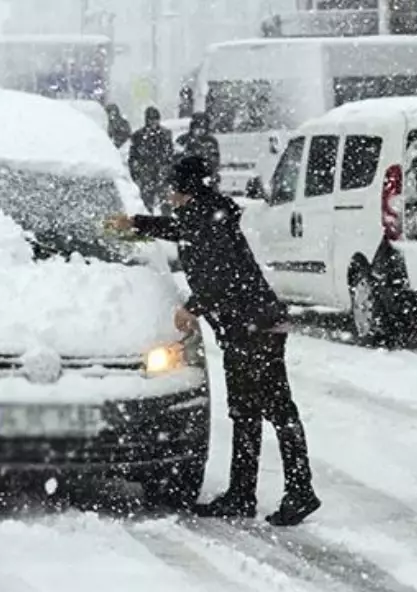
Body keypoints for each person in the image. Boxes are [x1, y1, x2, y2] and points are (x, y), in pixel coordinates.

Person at [104, 156, 322, 527]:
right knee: (246, 410)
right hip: (252, 325)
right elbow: (180, 230)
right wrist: (137, 223)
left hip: (253, 328)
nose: (169, 194)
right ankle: (242, 493)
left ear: (185, 190)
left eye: (173, 188)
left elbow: (221, 274)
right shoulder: (206, 214)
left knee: (275, 409)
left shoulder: (206, 220)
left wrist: (193, 307)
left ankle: (300, 491)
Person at [128, 106, 175, 213]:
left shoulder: (165, 134)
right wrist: (136, 174)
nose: (154, 122)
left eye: (156, 119)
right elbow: (133, 157)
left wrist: (167, 170)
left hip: (162, 173)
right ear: (146, 120)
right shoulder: (138, 136)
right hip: (146, 175)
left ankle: (166, 224)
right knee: (146, 203)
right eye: (151, 119)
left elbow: (170, 155)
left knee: (166, 204)